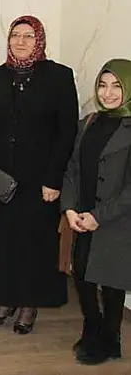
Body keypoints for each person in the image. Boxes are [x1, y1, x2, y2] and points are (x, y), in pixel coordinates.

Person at [0, 15, 78, 334]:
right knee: (3, 242)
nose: (20, 41)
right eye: (15, 35)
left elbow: (66, 133)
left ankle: (29, 304)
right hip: (1, 177)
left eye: (28, 36)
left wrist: (54, 179)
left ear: (39, 40)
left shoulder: (59, 76)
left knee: (34, 243)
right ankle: (5, 299)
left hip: (39, 178)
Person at [61, 58, 131, 365]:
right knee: (82, 274)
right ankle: (92, 326)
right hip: (82, 215)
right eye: (103, 85)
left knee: (112, 283)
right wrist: (69, 207)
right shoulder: (89, 122)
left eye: (117, 86)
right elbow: (72, 169)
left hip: (116, 219)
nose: (108, 93)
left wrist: (99, 216)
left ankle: (110, 339)